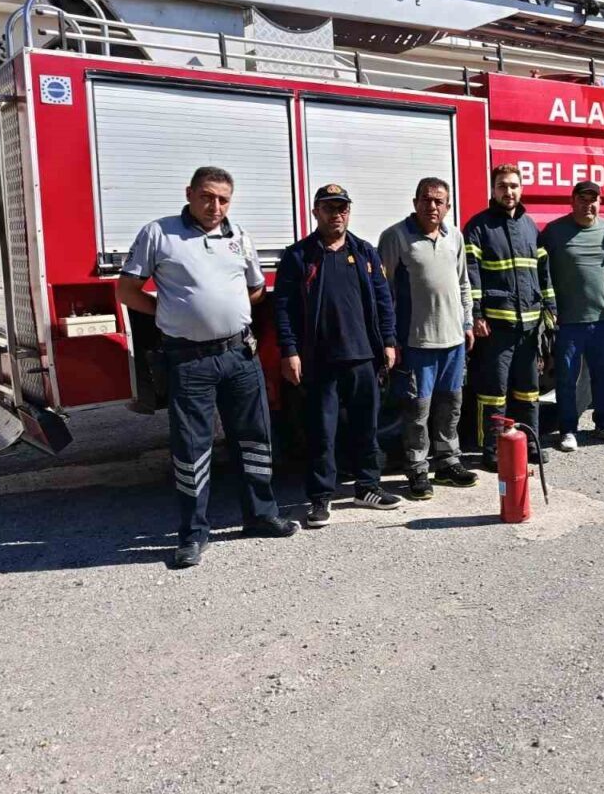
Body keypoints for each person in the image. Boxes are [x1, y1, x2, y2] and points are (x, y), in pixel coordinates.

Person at [117, 166, 299, 569]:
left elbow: (255, 289)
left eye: (223, 199)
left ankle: (260, 514)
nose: (215, 206)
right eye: (207, 196)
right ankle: (193, 534)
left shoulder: (239, 237)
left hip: (239, 357)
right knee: (192, 449)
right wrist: (168, 312)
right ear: (189, 193)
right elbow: (127, 290)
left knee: (254, 439)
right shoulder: (158, 234)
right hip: (189, 361)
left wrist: (224, 311)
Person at [273, 184, 400, 528]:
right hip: (319, 361)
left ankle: (367, 487)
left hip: (363, 357)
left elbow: (383, 301)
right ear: (315, 211)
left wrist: (388, 341)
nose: (337, 214)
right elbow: (282, 308)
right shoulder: (299, 256)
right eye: (329, 208)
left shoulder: (364, 252)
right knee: (321, 432)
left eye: (342, 207)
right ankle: (320, 498)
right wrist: (290, 351)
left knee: (366, 427)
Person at [378, 177, 477, 500]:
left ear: (448, 206)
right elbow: (384, 292)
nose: (432, 206)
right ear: (415, 202)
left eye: (438, 201)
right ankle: (417, 469)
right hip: (417, 343)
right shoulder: (396, 237)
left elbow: (463, 283)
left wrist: (467, 322)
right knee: (417, 411)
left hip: (453, 342)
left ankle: (448, 462)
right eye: (426, 199)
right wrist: (390, 338)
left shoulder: (455, 237)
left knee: (451, 405)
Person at [464, 164, 555, 470]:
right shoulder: (478, 227)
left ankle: (530, 443)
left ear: (521, 189)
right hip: (496, 328)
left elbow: (544, 274)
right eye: (502, 186)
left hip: (529, 327)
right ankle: (492, 450)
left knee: (529, 391)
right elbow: (471, 276)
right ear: (493, 190)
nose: (509, 191)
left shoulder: (530, 226)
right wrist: (476, 314)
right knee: (494, 392)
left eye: (514, 186)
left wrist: (550, 311)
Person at [539, 181, 604, 452]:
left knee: (603, 377)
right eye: (583, 199)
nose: (589, 204)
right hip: (568, 323)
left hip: (602, 320)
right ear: (572, 201)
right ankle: (567, 430)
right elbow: (540, 271)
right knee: (567, 379)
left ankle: (603, 424)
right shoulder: (554, 232)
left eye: (594, 199)